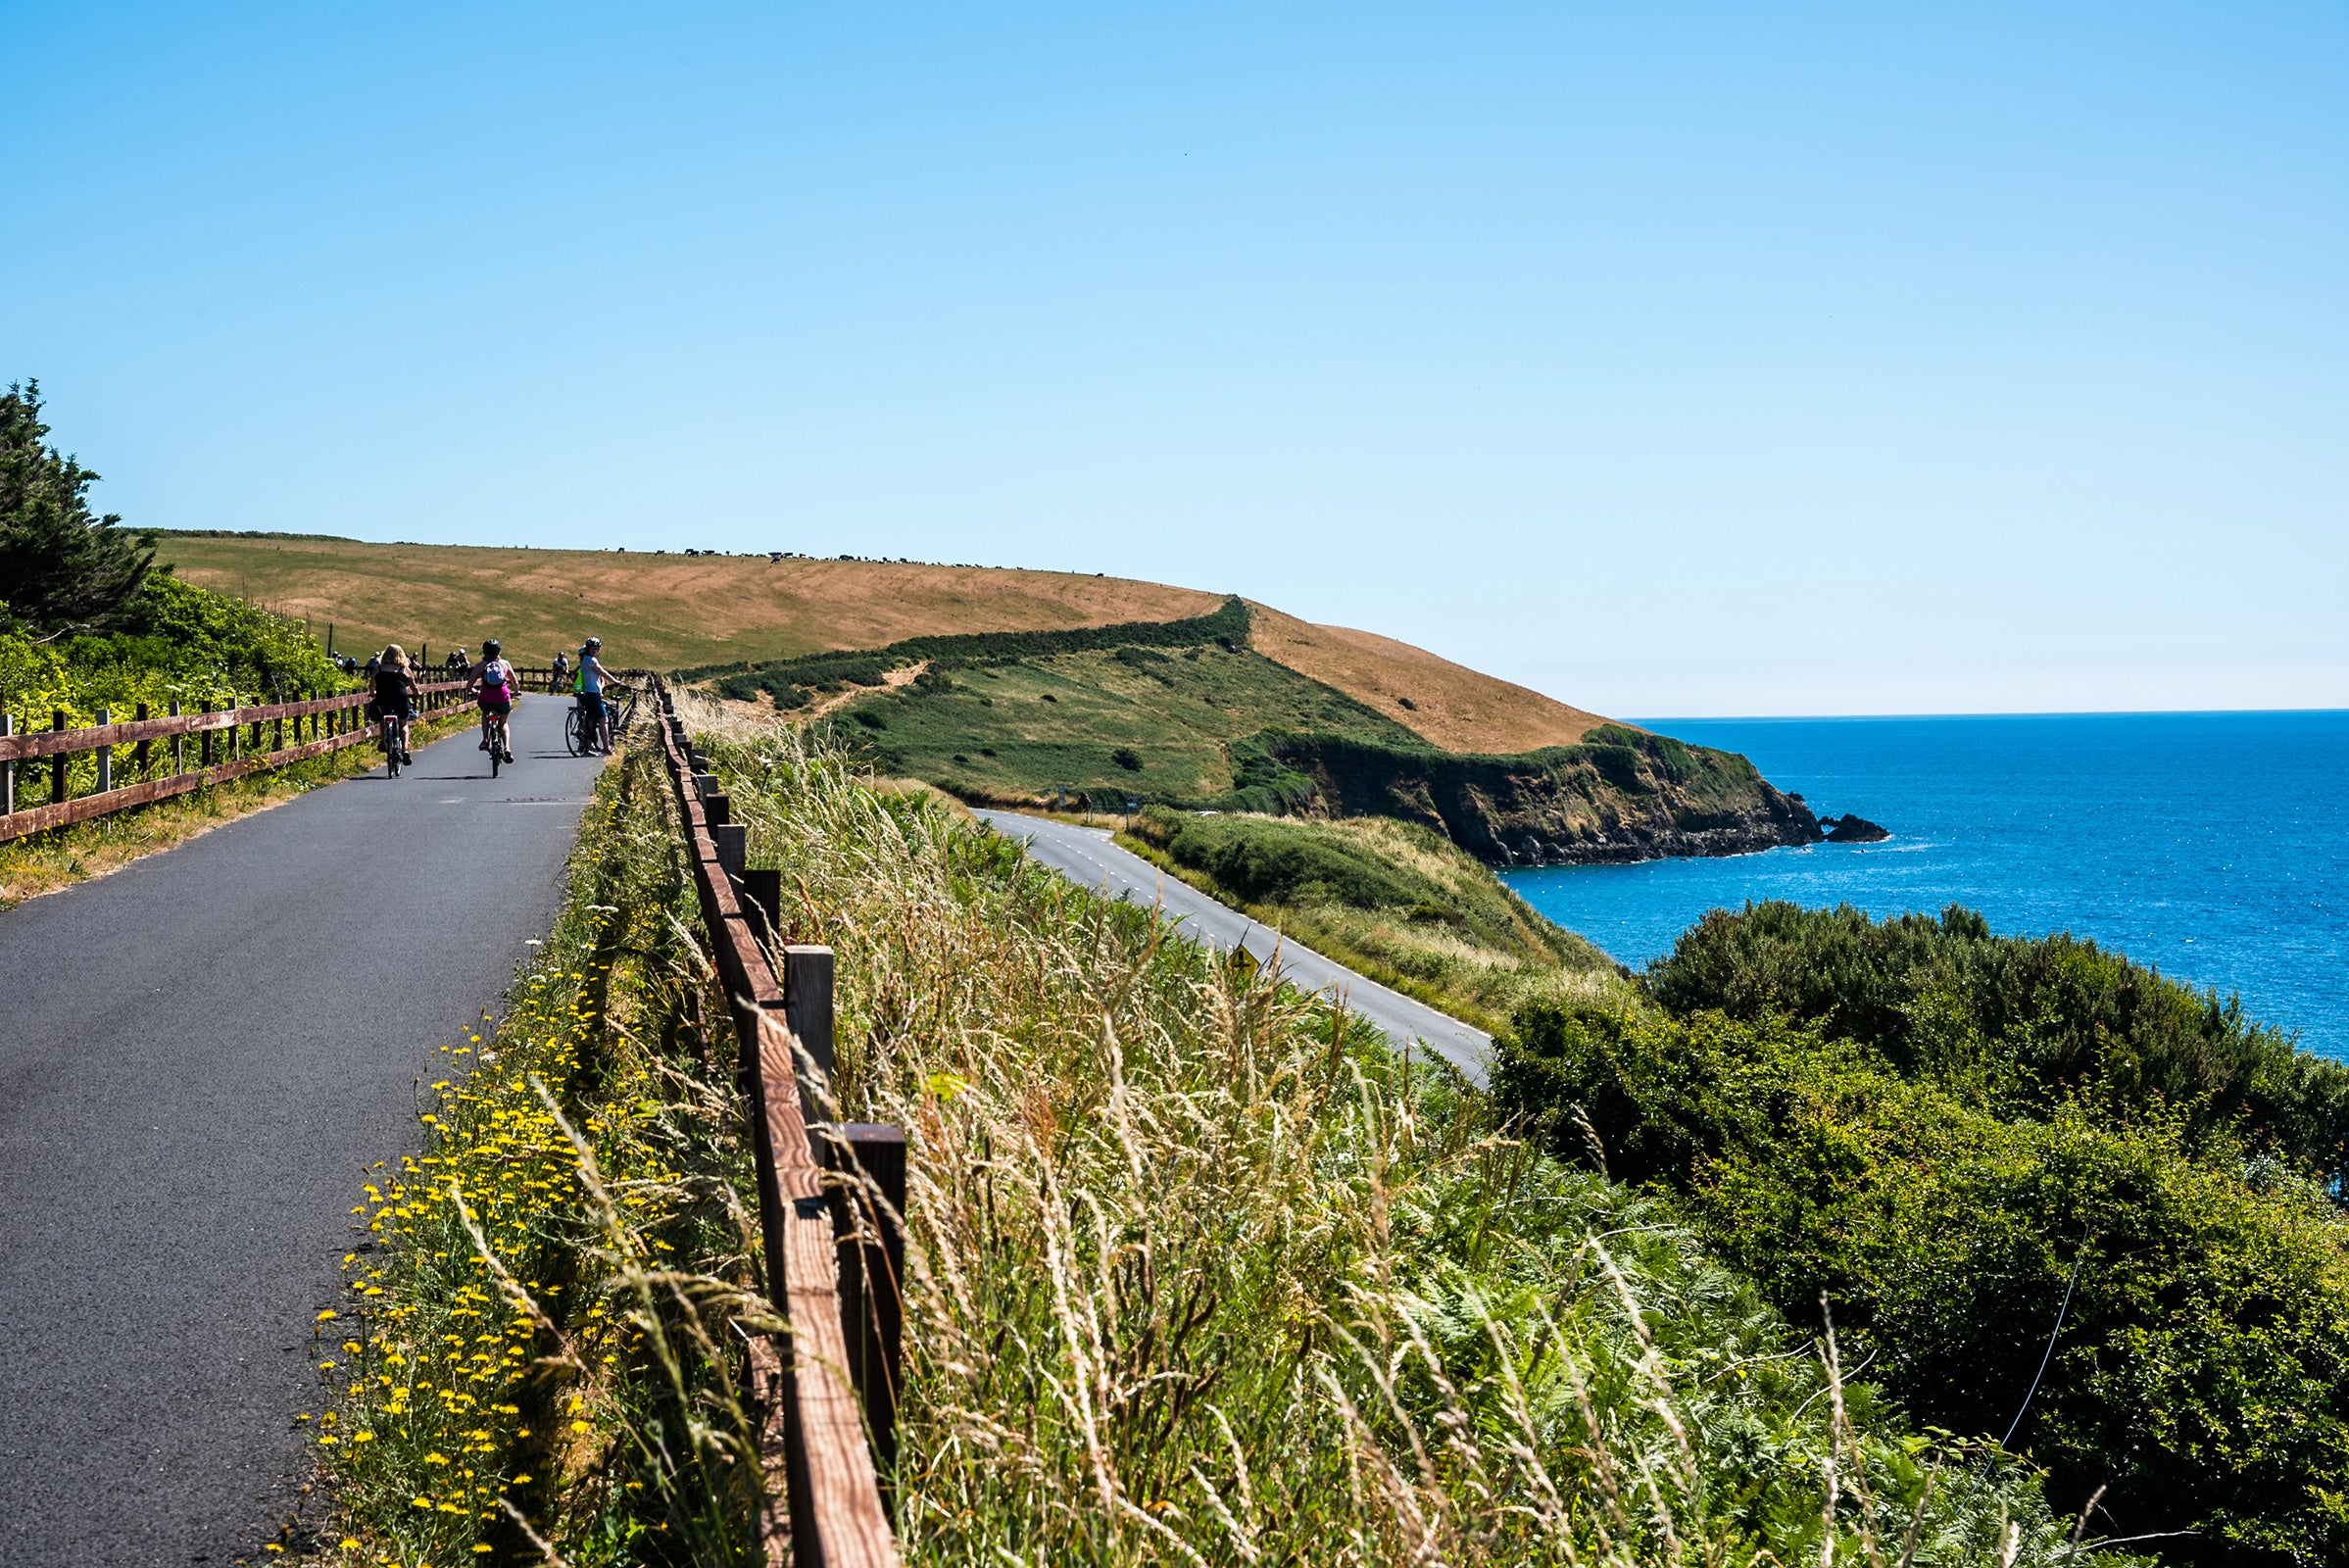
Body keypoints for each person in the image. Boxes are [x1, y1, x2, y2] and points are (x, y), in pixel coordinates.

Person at [470, 637, 518, 763]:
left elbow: (469, 686)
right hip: (503, 698)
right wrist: (515, 692)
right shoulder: (505, 664)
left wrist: (476, 692)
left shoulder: (481, 665)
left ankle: (485, 739)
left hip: (485, 699)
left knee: (485, 714)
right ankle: (507, 747)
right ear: (499, 651)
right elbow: (515, 683)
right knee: (503, 723)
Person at [370, 645, 418, 765]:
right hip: (400, 698)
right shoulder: (405, 670)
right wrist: (418, 693)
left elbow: (372, 685)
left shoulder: (378, 669)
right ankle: (405, 750)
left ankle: (384, 741)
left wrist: (372, 693)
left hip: (383, 698)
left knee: (382, 718)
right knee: (403, 724)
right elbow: (413, 686)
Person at [575, 637, 612, 754]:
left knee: (589, 719)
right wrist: (615, 681)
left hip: (584, 694)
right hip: (592, 694)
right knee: (603, 719)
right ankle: (606, 747)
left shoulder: (583, 664)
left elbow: (599, 679)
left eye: (596, 649)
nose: (594, 651)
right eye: (592, 649)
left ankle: (587, 746)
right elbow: (603, 673)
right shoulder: (591, 661)